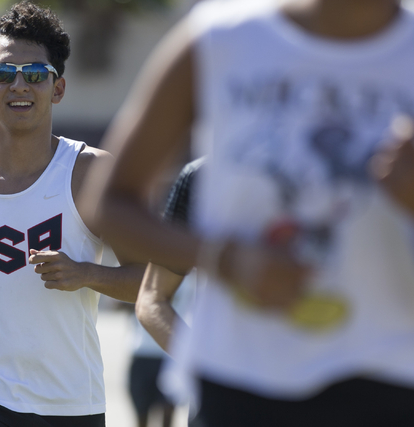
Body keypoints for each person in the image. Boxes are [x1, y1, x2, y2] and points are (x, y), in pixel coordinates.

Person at [87, 0, 414, 426]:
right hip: (242, 387)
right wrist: (226, 258)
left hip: (391, 382)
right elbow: (110, 202)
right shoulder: (221, 37)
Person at [0, 3, 143, 427]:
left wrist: (87, 274)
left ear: (58, 89)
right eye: (2, 74)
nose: (19, 84)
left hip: (69, 400)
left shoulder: (90, 172)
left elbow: (148, 281)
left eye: (36, 74)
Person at [129, 159, 202, 427]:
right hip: (144, 352)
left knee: (168, 419)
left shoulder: (190, 262)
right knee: (142, 419)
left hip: (166, 356)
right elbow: (148, 300)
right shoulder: (198, 179)